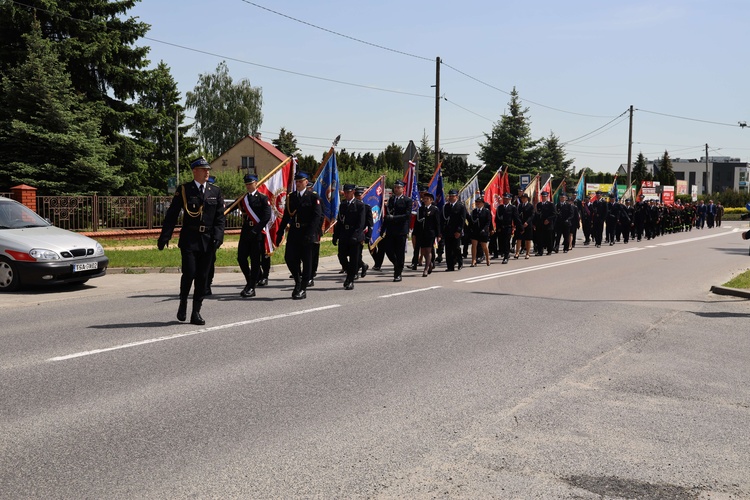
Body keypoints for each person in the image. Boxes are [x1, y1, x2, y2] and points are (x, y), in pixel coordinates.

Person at [158, 157, 225, 325]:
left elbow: (219, 218)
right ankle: (183, 303)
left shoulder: (215, 191)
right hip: (189, 239)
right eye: (204, 170)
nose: (207, 172)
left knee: (202, 277)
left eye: (208, 169)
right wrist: (165, 235)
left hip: (208, 240)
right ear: (195, 171)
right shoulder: (184, 190)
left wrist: (218, 236)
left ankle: (196, 312)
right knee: (189, 273)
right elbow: (172, 214)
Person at [275, 171, 323, 300]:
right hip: (294, 232)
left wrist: (311, 234)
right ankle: (297, 280)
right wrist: (280, 232)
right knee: (289, 258)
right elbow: (286, 216)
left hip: (307, 232)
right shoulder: (291, 197)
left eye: (300, 181)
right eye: (296, 181)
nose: (298, 184)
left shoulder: (313, 197)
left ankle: (302, 288)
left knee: (307, 261)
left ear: (306, 182)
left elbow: (316, 217)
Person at [236, 174, 272, 298]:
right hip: (246, 231)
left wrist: (256, 230)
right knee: (241, 258)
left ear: (256, 183)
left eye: (250, 183)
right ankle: (250, 279)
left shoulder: (262, 198)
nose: (248, 186)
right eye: (246, 184)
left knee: (255, 260)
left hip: (257, 233)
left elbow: (266, 216)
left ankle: (251, 286)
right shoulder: (243, 199)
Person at [332, 184, 367, 290]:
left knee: (354, 259)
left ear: (353, 192)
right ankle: (350, 273)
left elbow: (361, 223)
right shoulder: (343, 205)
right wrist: (335, 236)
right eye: (345, 192)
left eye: (349, 192)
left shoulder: (360, 205)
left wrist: (356, 236)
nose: (346, 194)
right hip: (344, 234)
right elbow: (340, 221)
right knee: (341, 256)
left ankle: (350, 280)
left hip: (355, 235)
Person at [383, 180, 411, 282]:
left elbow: (407, 216)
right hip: (390, 230)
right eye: (395, 187)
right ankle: (397, 264)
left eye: (398, 187)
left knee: (399, 252)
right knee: (389, 250)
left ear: (403, 189)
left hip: (401, 230)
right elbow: (387, 214)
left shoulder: (407, 200)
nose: (396, 189)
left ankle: (398, 273)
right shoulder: (391, 200)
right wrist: (383, 229)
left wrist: (394, 218)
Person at [416, 191, 441, 277]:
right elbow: (418, 221)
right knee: (423, 250)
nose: (425, 200)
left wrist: (439, 235)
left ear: (431, 200)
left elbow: (438, 223)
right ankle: (429, 264)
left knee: (428, 250)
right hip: (422, 233)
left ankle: (426, 268)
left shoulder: (435, 209)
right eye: (424, 199)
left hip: (431, 233)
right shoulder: (421, 209)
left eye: (427, 199)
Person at [442, 189, 467, 271]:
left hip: (456, 230)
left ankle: (460, 262)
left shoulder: (461, 206)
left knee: (456, 248)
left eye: (453, 196)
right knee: (448, 249)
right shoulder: (446, 206)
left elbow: (462, 220)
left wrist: (459, 231)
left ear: (457, 197)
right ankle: (450, 266)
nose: (451, 198)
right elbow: (444, 219)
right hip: (448, 230)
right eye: (450, 196)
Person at [495, 192, 520, 263]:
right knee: (501, 242)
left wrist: (520, 227)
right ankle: (504, 253)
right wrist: (498, 227)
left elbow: (516, 218)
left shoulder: (512, 208)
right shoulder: (500, 207)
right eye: (504, 198)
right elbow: (497, 218)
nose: (505, 200)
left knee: (506, 242)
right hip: (501, 228)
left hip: (508, 227)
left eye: (506, 199)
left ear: (510, 199)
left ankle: (506, 256)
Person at [354, 186, 372, 279]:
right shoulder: (351, 205)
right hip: (351, 233)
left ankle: (355, 272)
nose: (358, 197)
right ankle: (363, 265)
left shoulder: (366, 207)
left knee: (357, 253)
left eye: (359, 195)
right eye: (356, 195)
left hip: (362, 233)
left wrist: (368, 236)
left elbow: (370, 223)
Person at [469, 196, 491, 266]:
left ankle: (487, 258)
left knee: (484, 246)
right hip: (475, 231)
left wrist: (484, 229)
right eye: (477, 202)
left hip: (483, 231)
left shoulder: (486, 211)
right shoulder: (474, 211)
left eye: (479, 202)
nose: (478, 204)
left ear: (483, 203)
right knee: (474, 245)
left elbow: (488, 222)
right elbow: (471, 221)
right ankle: (473, 260)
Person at [515, 193, 534, 259]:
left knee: (527, 239)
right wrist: (520, 223)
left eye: (524, 198)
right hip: (520, 224)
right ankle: (517, 252)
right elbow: (517, 215)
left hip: (527, 224)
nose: (523, 199)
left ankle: (527, 253)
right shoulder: (519, 206)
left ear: (527, 199)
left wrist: (527, 222)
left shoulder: (530, 206)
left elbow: (532, 215)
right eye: (522, 198)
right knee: (519, 239)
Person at [536, 191, 556, 255]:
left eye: (545, 196)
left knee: (548, 238)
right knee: (540, 238)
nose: (544, 197)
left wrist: (548, 220)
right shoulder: (539, 204)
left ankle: (549, 250)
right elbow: (538, 214)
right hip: (541, 224)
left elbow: (554, 214)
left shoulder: (550, 204)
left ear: (547, 197)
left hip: (548, 224)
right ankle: (540, 251)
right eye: (543, 196)